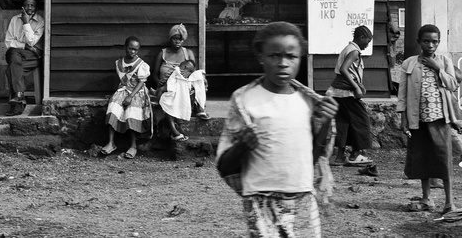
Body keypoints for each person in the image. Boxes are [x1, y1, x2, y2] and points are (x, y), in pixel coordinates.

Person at [216, 22, 338, 237]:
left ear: (300, 58)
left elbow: (312, 158)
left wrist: (326, 121)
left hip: (302, 197)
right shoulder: (245, 101)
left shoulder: (308, 103)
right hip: (260, 199)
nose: (283, 63)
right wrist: (243, 145)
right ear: (260, 56)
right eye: (274, 56)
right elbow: (225, 166)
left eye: (291, 57)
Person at [398, 24, 460, 214]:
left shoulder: (444, 60)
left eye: (434, 41)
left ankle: (449, 203)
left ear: (438, 42)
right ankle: (426, 199)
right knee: (423, 159)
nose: (430, 45)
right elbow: (403, 93)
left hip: (440, 119)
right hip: (418, 120)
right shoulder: (409, 63)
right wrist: (403, 118)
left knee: (443, 159)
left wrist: (437, 68)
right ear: (419, 42)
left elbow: (453, 85)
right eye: (426, 41)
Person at [326, 25, 374, 166]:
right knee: (361, 121)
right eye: (367, 41)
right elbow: (344, 69)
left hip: (337, 92)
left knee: (343, 123)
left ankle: (340, 156)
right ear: (361, 38)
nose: (368, 44)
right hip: (346, 93)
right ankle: (355, 154)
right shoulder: (354, 51)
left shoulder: (347, 49)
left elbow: (352, 72)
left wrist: (359, 84)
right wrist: (355, 87)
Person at [101, 36, 153, 160]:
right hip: (122, 90)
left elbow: (141, 82)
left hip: (136, 92)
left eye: (135, 50)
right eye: (130, 48)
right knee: (113, 109)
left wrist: (130, 96)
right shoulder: (119, 62)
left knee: (131, 113)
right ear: (125, 47)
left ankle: (133, 146)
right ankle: (111, 143)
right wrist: (115, 94)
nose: (132, 52)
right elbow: (121, 80)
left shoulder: (141, 65)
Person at [152, 23, 210, 120]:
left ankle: (200, 108)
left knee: (200, 77)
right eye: (175, 38)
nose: (178, 41)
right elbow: (154, 75)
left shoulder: (188, 53)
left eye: (180, 39)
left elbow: (193, 73)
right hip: (167, 86)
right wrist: (159, 83)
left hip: (184, 86)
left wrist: (189, 74)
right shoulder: (162, 53)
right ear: (170, 38)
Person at [4, 0, 44, 116]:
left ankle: (17, 103)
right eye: (27, 5)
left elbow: (32, 41)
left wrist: (26, 23)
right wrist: (27, 46)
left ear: (36, 8)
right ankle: (19, 97)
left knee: (12, 69)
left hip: (32, 57)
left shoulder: (40, 22)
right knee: (14, 55)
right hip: (17, 53)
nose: (30, 7)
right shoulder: (15, 20)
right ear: (22, 7)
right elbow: (8, 42)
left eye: (32, 5)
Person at [158, 59, 207, 141]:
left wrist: (189, 76)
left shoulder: (192, 80)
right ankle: (174, 131)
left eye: (188, 69)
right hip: (171, 98)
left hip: (184, 101)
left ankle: (199, 109)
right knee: (166, 102)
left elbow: (199, 88)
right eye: (183, 67)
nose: (183, 70)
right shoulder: (174, 73)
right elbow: (166, 86)